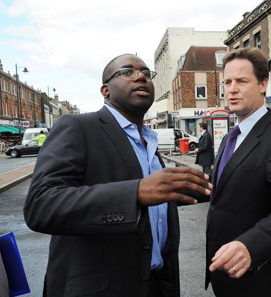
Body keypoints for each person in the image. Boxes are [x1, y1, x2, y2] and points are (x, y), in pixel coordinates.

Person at [24, 54, 212, 297]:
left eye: (146, 73)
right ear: (105, 90)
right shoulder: (78, 127)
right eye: (127, 72)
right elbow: (41, 205)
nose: (141, 76)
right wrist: (136, 193)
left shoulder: (149, 141)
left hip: (157, 285)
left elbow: (162, 193)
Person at [205, 48, 271, 297]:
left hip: (259, 279)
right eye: (227, 82)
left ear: (263, 84)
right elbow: (229, 189)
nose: (232, 89)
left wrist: (250, 245)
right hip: (223, 274)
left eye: (241, 81)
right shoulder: (229, 137)